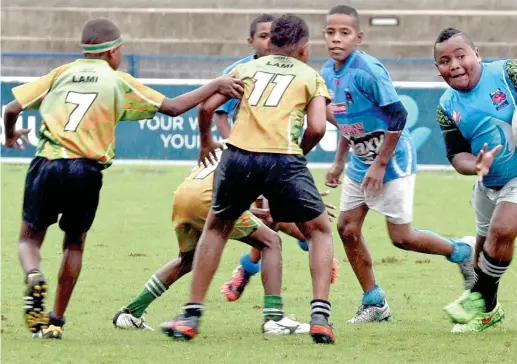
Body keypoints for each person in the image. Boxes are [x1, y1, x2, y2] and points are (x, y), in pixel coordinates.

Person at [2, 17, 244, 339]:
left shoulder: (59, 74)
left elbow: (11, 109)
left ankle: (33, 273)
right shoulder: (118, 80)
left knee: (29, 239)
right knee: (74, 244)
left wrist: (9, 136)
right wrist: (215, 85)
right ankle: (56, 321)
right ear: (113, 51)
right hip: (85, 170)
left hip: (46, 162)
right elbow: (173, 107)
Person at [160, 14, 337, 344]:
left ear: (269, 44)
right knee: (320, 231)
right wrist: (300, 152)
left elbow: (208, 107)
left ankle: (191, 315)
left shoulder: (246, 69)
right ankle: (320, 317)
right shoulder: (311, 76)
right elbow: (317, 127)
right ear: (304, 48)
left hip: (238, 156)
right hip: (283, 158)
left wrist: (205, 143)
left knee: (216, 226)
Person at [322, 5, 489, 324]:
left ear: (358, 37)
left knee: (401, 237)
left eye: (344, 33)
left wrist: (380, 164)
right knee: (347, 228)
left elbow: (398, 116)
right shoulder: (328, 73)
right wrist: (339, 161)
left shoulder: (368, 70)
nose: (336, 39)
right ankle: (374, 302)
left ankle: (463, 252)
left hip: (393, 159)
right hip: (361, 162)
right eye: (330, 32)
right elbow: (346, 119)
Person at [433, 28, 517, 333]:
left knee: (501, 231)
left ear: (477, 53)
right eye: (445, 61)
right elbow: (456, 156)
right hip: (489, 183)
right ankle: (488, 311)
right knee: (485, 249)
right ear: (438, 69)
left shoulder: (510, 72)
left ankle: (477, 301)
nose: (454, 65)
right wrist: (476, 165)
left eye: (460, 56)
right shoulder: (446, 107)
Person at [112, 147, 328, 336]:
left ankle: (131, 313)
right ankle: (274, 319)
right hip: (209, 197)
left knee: (188, 260)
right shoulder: (260, 150)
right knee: (270, 242)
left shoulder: (231, 145)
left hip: (184, 197)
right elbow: (272, 216)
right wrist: (301, 200)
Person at [214, 13, 274, 139]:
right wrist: (232, 147)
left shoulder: (293, 69)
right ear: (251, 42)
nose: (270, 41)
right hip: (246, 147)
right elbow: (220, 113)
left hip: (279, 149)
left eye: (275, 36)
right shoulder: (236, 71)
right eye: (264, 36)